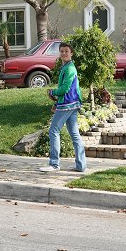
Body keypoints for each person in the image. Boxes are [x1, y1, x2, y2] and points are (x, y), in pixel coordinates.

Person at [39, 42, 86, 172]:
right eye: (62, 51)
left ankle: (54, 164)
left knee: (53, 131)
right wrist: (56, 103)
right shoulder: (66, 67)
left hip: (67, 104)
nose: (64, 53)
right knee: (75, 134)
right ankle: (81, 166)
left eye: (66, 51)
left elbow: (65, 89)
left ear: (71, 53)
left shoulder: (69, 68)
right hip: (71, 104)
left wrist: (52, 92)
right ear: (60, 53)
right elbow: (70, 89)